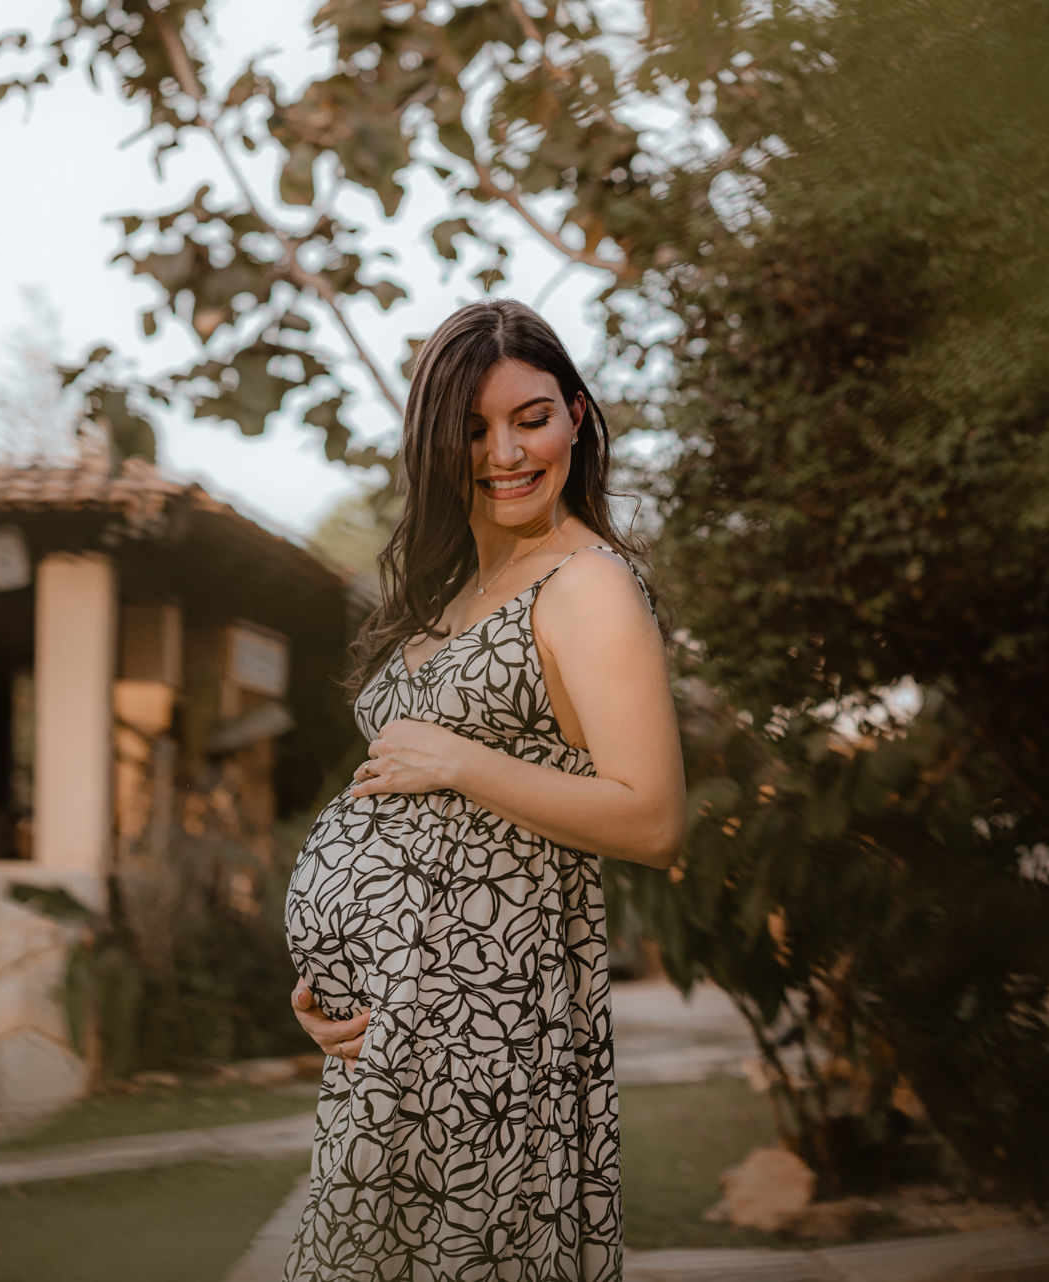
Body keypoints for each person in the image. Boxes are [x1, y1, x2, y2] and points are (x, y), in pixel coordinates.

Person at [281, 298, 686, 1281]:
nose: (505, 451)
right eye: (473, 429)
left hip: (491, 1041)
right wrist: (334, 985)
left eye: (530, 417)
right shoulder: (458, 588)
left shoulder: (586, 583)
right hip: (396, 1040)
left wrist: (463, 760)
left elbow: (653, 816)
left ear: (577, 416)